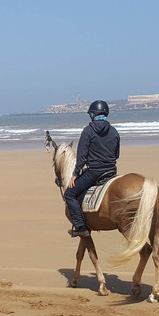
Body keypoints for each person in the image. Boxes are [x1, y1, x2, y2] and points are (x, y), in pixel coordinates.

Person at [63, 100, 120, 237]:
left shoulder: (88, 131)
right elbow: (116, 155)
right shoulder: (114, 131)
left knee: (69, 195)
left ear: (92, 115)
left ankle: (80, 226)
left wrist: (75, 174)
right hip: (111, 171)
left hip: (94, 172)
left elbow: (82, 157)